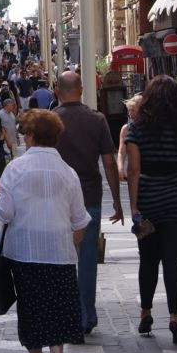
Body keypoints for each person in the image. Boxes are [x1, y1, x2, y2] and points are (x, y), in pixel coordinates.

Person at [0, 109, 90, 353]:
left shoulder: (15, 169)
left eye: (25, 132)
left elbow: (5, 212)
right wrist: (70, 242)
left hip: (24, 250)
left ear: (32, 136)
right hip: (59, 250)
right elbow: (80, 219)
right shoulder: (68, 172)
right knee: (58, 307)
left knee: (32, 308)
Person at [124, 76, 177, 344]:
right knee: (173, 261)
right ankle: (175, 317)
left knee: (148, 260)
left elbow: (133, 169)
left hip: (148, 199)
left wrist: (134, 208)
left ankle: (145, 312)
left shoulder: (137, 128)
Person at [53, 71, 123, 335]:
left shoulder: (52, 120)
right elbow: (108, 161)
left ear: (58, 90)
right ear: (81, 89)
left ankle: (68, 314)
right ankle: (86, 314)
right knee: (87, 259)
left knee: (62, 259)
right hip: (89, 197)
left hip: (58, 200)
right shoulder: (97, 119)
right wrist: (117, 200)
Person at [117, 95, 142, 180]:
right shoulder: (126, 129)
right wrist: (120, 167)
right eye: (129, 110)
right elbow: (121, 151)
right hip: (133, 171)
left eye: (133, 110)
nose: (130, 113)